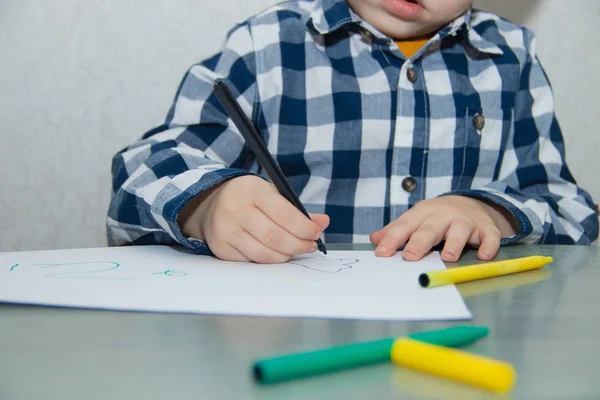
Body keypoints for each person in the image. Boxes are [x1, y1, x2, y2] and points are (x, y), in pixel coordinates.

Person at [107, 0, 598, 264]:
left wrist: (490, 211)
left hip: (468, 332)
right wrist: (206, 204)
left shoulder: (514, 57)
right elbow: (143, 168)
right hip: (287, 330)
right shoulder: (267, 44)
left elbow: (571, 210)